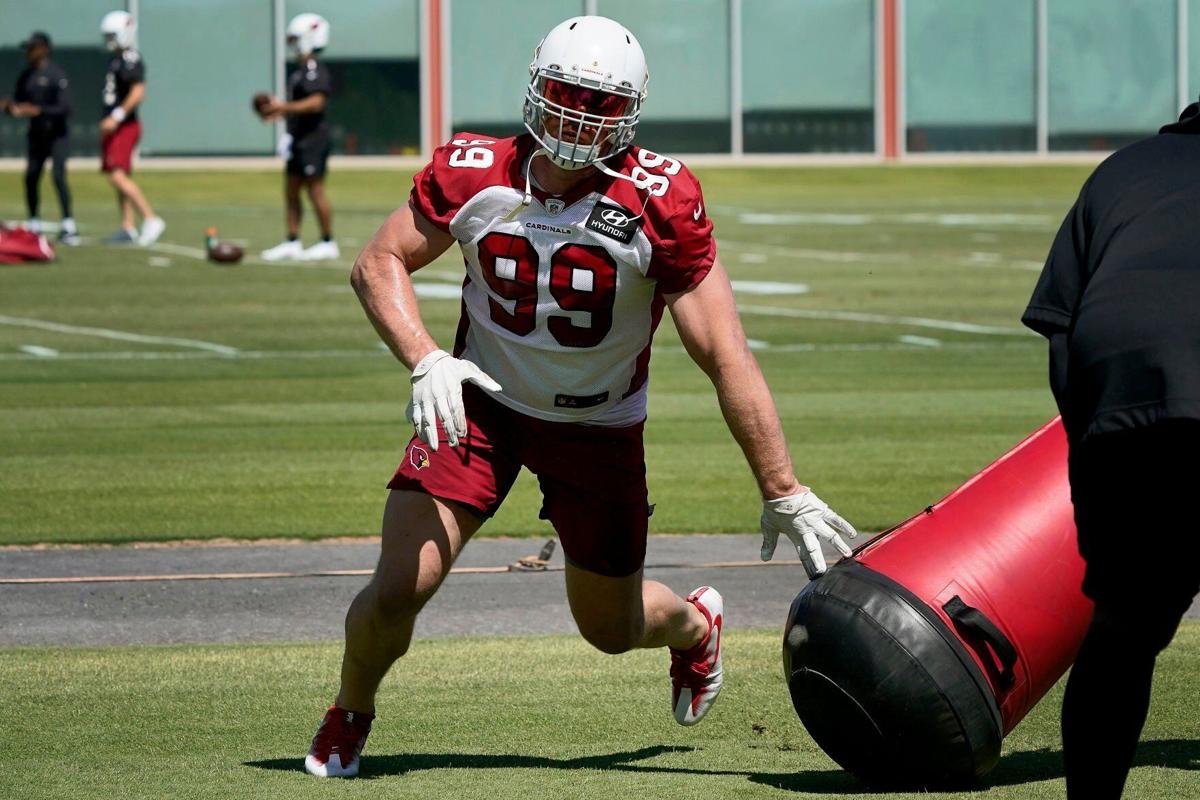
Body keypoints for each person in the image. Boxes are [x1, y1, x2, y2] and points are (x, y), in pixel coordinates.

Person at [303, 15, 859, 779]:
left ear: (628, 113)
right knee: (402, 586)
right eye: (565, 93)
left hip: (599, 427)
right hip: (481, 406)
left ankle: (695, 629)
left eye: (599, 103)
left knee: (610, 627)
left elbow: (723, 354)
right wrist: (425, 357)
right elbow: (378, 263)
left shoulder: (658, 200)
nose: (576, 116)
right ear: (535, 88)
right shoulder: (475, 171)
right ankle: (349, 710)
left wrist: (783, 487)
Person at [1023, 100, 1200, 799]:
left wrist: (1091, 463)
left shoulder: (1121, 171)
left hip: (1125, 412)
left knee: (1124, 631)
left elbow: (1059, 332)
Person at [259, 13, 337, 262]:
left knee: (315, 190)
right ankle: (292, 240)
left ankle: (328, 241)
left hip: (314, 138)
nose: (292, 44)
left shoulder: (315, 69)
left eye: (296, 39)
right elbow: (296, 107)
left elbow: (317, 102)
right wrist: (279, 113)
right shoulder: (299, 72)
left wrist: (283, 107)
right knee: (291, 190)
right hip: (298, 137)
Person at [1, 32, 78, 245]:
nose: (28, 52)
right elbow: (19, 103)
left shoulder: (56, 75)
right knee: (31, 177)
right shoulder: (26, 76)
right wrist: (10, 107)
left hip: (57, 135)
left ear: (43, 49)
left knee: (58, 176)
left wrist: (37, 110)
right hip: (37, 135)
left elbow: (64, 107)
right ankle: (34, 222)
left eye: (32, 48)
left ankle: (68, 224)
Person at [98, 10, 164, 246]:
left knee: (116, 174)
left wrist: (116, 116)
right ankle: (127, 225)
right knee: (120, 174)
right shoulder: (116, 59)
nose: (109, 40)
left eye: (112, 35)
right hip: (115, 126)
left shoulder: (130, 59)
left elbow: (138, 92)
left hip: (125, 125)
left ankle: (150, 218)